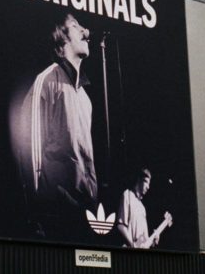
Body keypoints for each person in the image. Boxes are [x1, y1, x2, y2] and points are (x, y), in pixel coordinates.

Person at [28, 13, 99, 219]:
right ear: (62, 42)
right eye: (76, 26)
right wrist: (39, 207)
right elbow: (32, 150)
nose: (85, 31)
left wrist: (93, 199)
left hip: (86, 210)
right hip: (56, 210)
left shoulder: (86, 99)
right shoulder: (47, 81)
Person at [116, 168, 172, 248]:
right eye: (146, 182)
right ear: (139, 180)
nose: (148, 187)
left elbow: (145, 241)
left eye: (149, 184)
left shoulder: (142, 208)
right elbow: (120, 226)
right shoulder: (127, 195)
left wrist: (153, 241)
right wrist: (132, 245)